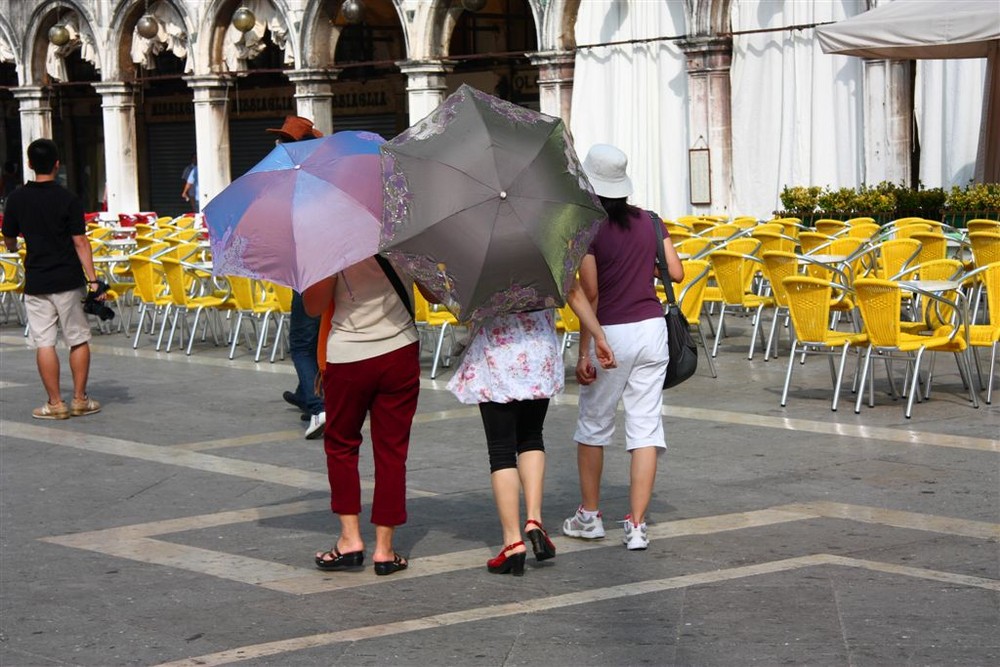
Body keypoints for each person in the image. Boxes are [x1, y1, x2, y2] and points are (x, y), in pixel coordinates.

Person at [562, 144, 684, 551]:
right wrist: (639, 265)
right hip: (653, 329)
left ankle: (590, 516)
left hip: (612, 330)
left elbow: (591, 292)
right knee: (646, 425)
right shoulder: (652, 221)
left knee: (594, 425)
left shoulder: (588, 228)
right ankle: (636, 525)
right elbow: (677, 271)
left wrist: (584, 351)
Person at [448, 289, 615, 576]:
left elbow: (455, 304)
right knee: (532, 437)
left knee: (501, 453)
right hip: (539, 353)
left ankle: (513, 542)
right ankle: (534, 520)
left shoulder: (479, 250)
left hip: (496, 356)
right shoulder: (543, 247)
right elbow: (574, 291)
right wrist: (599, 336)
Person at [303, 254, 421, 576]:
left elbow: (313, 307)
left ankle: (350, 539)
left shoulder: (330, 242)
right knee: (392, 451)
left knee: (341, 445)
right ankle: (385, 549)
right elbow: (434, 293)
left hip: (349, 355)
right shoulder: (403, 232)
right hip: (400, 350)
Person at [2, 138, 105, 420]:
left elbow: (9, 238)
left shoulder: (17, 199)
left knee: (44, 342)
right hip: (69, 278)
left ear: (30, 164)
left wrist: (15, 245)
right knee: (78, 338)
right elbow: (80, 242)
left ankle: (56, 403)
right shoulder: (68, 198)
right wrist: (94, 280)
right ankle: (80, 399)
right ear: (57, 164)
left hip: (37, 279)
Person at [265, 116, 326, 439]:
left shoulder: (290, 181)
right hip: (328, 266)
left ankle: (318, 406)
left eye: (283, 142)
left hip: (307, 270)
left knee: (301, 343)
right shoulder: (324, 178)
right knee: (317, 337)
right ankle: (306, 392)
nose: (277, 146)